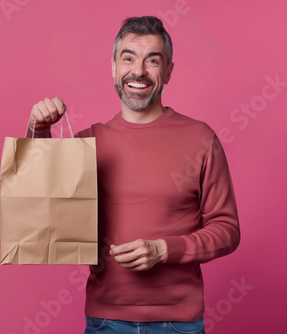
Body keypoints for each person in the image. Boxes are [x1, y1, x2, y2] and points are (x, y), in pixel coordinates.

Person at [25, 16, 240, 334]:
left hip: (179, 324)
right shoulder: (87, 142)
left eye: (152, 61)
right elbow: (40, 202)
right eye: (128, 58)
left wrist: (164, 250)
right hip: (105, 322)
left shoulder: (201, 139)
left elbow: (227, 230)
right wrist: (38, 130)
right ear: (113, 66)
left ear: (168, 72)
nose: (138, 71)